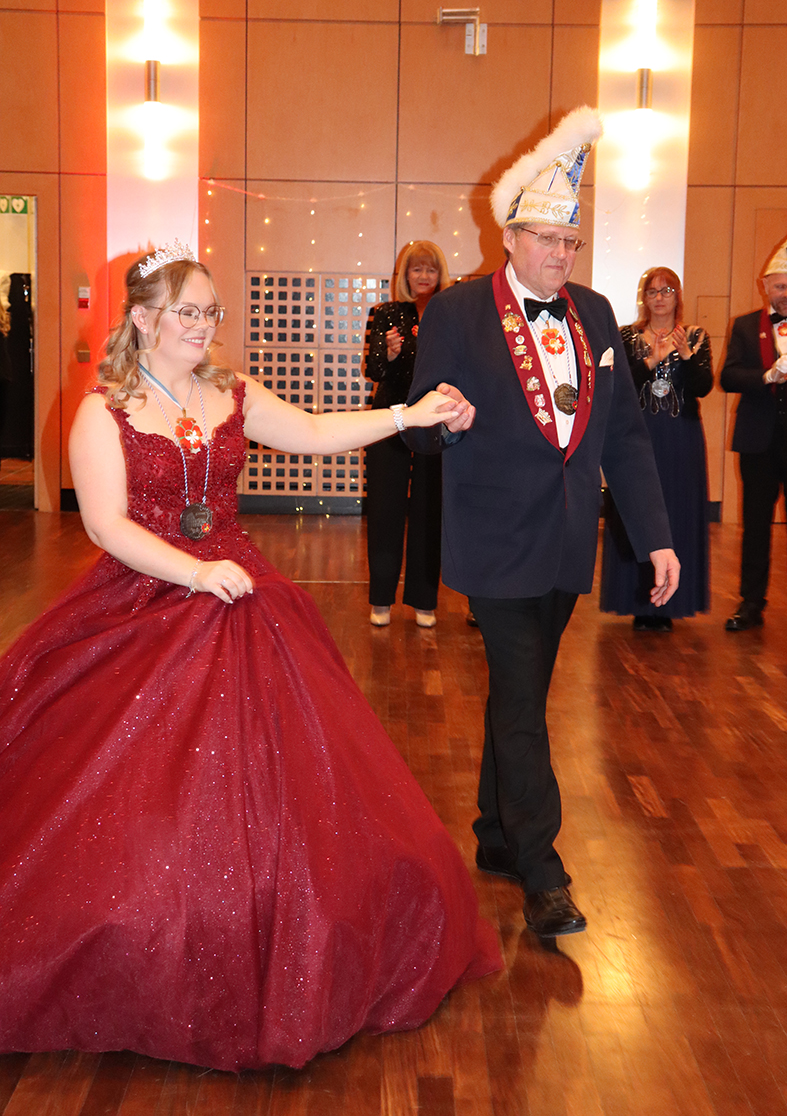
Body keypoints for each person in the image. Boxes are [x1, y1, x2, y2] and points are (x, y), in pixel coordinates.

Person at [0, 243, 501, 1072]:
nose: (203, 325)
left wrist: (405, 415)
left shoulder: (230, 391)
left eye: (211, 311)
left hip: (241, 590)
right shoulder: (104, 409)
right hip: (149, 594)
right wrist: (195, 572)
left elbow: (313, 431)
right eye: (187, 312)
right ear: (143, 319)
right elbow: (105, 525)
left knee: (286, 778)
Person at [406, 109, 680, 938]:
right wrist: (442, 421)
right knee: (525, 702)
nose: (561, 254)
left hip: (564, 541)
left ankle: (495, 830)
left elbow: (624, 436)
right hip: (493, 542)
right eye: (547, 239)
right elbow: (417, 429)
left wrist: (656, 536)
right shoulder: (456, 313)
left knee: (519, 692)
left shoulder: (593, 313)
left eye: (571, 241)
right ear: (510, 239)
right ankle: (542, 870)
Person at [601, 267, 712, 630]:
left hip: (681, 438)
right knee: (636, 509)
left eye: (667, 291)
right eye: (653, 291)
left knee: (677, 512)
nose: (660, 298)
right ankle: (636, 600)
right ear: (644, 298)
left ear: (678, 296)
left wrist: (686, 355)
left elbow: (703, 387)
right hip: (637, 435)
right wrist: (651, 359)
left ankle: (671, 603)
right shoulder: (627, 336)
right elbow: (619, 385)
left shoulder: (695, 336)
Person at [364, 241, 450, 628]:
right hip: (391, 418)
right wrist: (390, 355)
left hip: (435, 420)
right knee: (385, 508)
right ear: (406, 275)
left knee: (429, 510)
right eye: (417, 269)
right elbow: (374, 371)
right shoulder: (386, 313)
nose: (424, 276)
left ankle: (424, 601)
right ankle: (381, 599)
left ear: (440, 274)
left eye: (431, 269)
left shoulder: (451, 312)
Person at [720, 240, 787, 631]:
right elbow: (728, 377)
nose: (785, 293)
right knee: (756, 526)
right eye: (779, 286)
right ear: (765, 287)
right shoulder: (746, 326)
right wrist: (766, 376)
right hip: (758, 443)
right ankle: (750, 603)